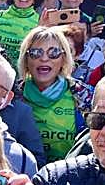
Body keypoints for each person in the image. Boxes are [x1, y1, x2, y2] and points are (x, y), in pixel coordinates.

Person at [17, 27, 93, 162]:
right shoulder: (13, 95)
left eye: (54, 53)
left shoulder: (84, 95)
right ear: (26, 59)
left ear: (64, 59)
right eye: (35, 53)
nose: (44, 58)